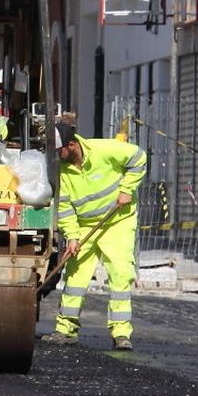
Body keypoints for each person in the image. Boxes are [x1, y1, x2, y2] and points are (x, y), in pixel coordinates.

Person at [42, 122, 148, 351]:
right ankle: (66, 330)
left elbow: (138, 157)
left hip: (117, 220)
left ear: (72, 145)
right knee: (75, 277)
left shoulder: (104, 150)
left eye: (59, 151)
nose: (56, 157)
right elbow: (66, 207)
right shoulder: (62, 169)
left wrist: (127, 190)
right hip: (84, 226)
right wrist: (71, 237)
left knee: (120, 274)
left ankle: (121, 333)